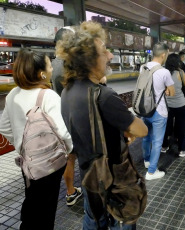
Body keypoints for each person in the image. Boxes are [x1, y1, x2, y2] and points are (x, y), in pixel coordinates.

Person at [57, 21, 147, 230]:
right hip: (114, 179)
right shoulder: (104, 96)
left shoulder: (67, 92)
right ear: (89, 61)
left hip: (89, 175)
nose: (110, 56)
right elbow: (142, 129)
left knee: (94, 220)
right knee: (122, 220)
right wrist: (125, 127)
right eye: (104, 51)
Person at [0, 48, 73, 229]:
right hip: (49, 163)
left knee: (31, 201)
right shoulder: (48, 96)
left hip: (27, 162)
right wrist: (69, 149)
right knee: (46, 210)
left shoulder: (12, 95)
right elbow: (63, 133)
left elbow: (3, 126)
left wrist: (20, 144)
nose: (51, 69)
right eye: (49, 65)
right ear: (41, 73)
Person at [53, 26, 83, 207]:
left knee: (70, 158)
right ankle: (71, 192)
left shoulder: (52, 64)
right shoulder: (65, 67)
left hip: (61, 118)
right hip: (70, 120)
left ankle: (72, 191)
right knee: (72, 158)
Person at [141, 42, 175, 180]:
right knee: (157, 142)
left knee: (146, 137)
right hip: (159, 111)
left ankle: (147, 160)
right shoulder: (164, 71)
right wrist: (165, 90)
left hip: (145, 109)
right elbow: (171, 92)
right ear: (163, 54)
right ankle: (151, 172)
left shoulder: (143, 67)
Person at [161, 53, 185, 157]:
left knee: (166, 126)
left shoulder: (163, 73)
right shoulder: (180, 72)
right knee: (181, 126)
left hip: (167, 105)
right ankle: (182, 149)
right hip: (181, 104)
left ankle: (164, 146)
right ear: (177, 62)